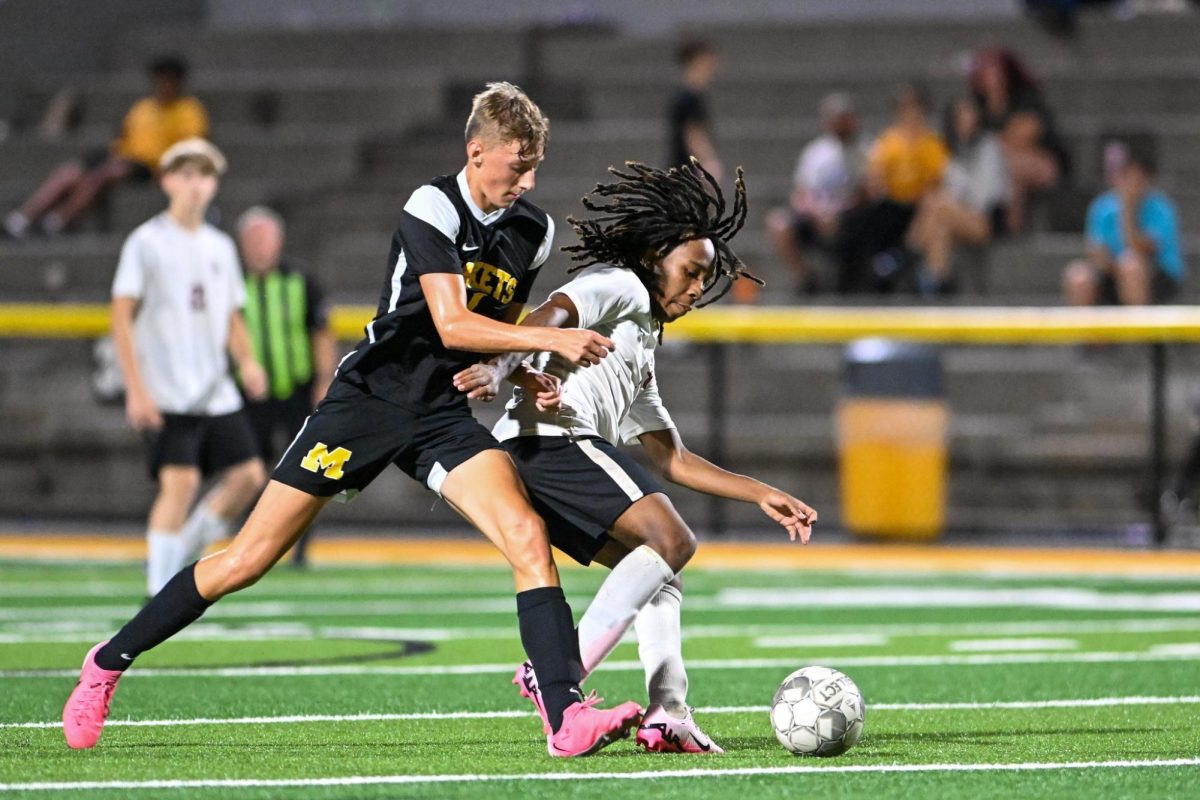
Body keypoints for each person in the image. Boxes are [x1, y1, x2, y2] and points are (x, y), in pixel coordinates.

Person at [62, 82, 642, 758]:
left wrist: (508, 370)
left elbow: (497, 327)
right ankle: (107, 662)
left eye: (536, 165)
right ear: (475, 151)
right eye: (518, 163)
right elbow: (453, 320)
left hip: (438, 413)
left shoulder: (533, 230)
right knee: (247, 559)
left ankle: (565, 717)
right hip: (368, 400)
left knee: (525, 533)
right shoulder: (434, 204)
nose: (529, 179)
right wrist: (555, 342)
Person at [453, 160, 816, 753]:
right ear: (655, 259)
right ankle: (556, 673)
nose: (699, 288)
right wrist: (498, 366)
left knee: (660, 572)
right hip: (549, 439)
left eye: (706, 278)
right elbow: (553, 314)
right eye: (691, 272)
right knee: (673, 540)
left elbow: (671, 458)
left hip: (545, 449)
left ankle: (667, 710)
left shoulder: (640, 339)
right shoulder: (621, 283)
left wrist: (759, 492)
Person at [109, 138, 268, 599]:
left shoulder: (220, 247)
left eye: (204, 175)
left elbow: (232, 317)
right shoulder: (146, 243)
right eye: (186, 174)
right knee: (180, 483)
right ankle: (160, 593)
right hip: (168, 390)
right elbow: (121, 317)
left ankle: (177, 556)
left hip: (214, 389)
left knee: (248, 478)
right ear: (166, 180)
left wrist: (248, 360)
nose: (196, 185)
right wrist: (136, 390)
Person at [4, 56, 208, 238]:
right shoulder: (142, 108)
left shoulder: (190, 112)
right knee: (71, 172)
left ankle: (57, 222)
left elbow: (190, 151)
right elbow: (123, 138)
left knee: (105, 174)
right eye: (159, 79)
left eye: (168, 80)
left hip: (153, 167)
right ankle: (21, 220)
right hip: (124, 159)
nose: (163, 85)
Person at [236, 206, 336, 566]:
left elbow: (321, 333)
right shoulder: (230, 281)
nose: (259, 246)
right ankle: (252, 545)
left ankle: (300, 547)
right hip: (247, 394)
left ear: (278, 242)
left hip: (297, 389)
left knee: (304, 470)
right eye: (252, 239)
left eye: (264, 238)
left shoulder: (301, 280)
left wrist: (324, 382)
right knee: (249, 472)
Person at [834, 84, 949, 293]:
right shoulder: (889, 142)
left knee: (933, 211)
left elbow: (935, 182)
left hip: (918, 205)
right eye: (905, 108)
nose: (910, 115)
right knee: (858, 219)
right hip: (891, 204)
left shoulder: (931, 143)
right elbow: (875, 176)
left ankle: (907, 259)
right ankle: (857, 274)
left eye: (915, 109)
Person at [905, 96, 1009, 295]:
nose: (966, 120)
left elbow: (984, 199)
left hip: (985, 221)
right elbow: (949, 189)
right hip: (954, 217)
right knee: (939, 224)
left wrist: (953, 203)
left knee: (937, 205)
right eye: (961, 116)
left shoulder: (990, 148)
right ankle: (936, 284)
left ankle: (911, 250)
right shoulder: (951, 151)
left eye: (970, 115)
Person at [765, 92, 867, 295]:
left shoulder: (866, 150)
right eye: (836, 118)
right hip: (816, 217)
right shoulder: (816, 152)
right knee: (779, 224)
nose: (841, 124)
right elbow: (801, 193)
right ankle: (806, 277)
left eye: (845, 118)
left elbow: (868, 193)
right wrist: (818, 213)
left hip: (851, 219)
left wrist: (838, 212)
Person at [1062, 143, 1182, 307]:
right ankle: (1083, 332)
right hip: (1113, 272)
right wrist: (1106, 262)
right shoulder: (1102, 207)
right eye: (1124, 175)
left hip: (1156, 276)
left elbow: (1143, 249)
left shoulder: (1162, 208)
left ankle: (1137, 331)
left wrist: (1128, 211)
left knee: (1130, 265)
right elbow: (1095, 251)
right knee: (1078, 275)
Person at [970, 47, 1069, 235]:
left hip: (1043, 165)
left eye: (996, 71)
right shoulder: (979, 109)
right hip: (1000, 168)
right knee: (1002, 166)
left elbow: (1025, 135)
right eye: (987, 72)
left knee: (1009, 165)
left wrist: (1001, 144)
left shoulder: (1026, 100)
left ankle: (1009, 226)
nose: (992, 77)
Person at [667, 38, 722, 182]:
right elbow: (693, 134)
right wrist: (708, 162)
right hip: (686, 173)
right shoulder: (689, 99)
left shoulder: (688, 97)